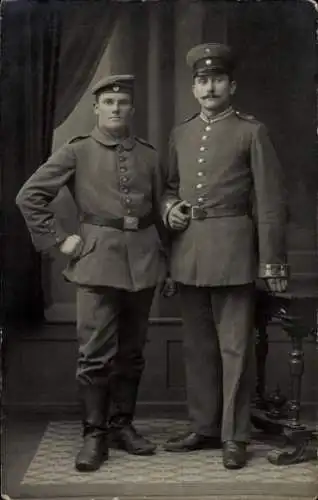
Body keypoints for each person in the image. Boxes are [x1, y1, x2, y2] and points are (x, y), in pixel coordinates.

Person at [16, 75, 168, 472]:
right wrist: (58, 239)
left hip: (144, 261)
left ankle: (123, 426)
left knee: (132, 354)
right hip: (97, 261)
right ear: (96, 109)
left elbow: (159, 208)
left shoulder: (150, 156)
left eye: (122, 102)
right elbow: (29, 196)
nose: (116, 108)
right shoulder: (77, 151)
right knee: (95, 355)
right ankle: (94, 434)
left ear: (132, 109)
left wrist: (163, 258)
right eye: (109, 102)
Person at [161, 43, 288, 469]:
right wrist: (169, 208)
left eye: (216, 79)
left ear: (231, 85)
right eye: (201, 80)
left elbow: (270, 201)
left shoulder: (252, 131)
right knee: (198, 347)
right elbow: (169, 186)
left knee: (235, 348)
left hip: (234, 251)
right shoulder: (180, 133)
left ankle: (235, 435)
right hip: (189, 250)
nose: (209, 86)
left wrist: (271, 261)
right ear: (194, 88)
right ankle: (204, 427)